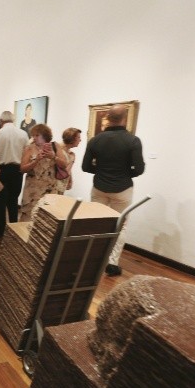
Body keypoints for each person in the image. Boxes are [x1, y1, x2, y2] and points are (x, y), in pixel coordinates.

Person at [82, 104, 145, 276]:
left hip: (99, 187)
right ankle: (112, 262)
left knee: (97, 223)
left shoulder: (95, 140)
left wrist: (101, 171)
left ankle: (93, 260)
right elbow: (139, 169)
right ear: (125, 118)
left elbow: (85, 167)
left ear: (108, 118)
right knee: (120, 226)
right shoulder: (133, 141)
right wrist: (124, 173)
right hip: (122, 189)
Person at [0, 111, 28, 238]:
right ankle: (14, 230)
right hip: (17, 171)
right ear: (13, 120)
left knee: (0, 203)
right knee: (13, 201)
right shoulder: (23, 134)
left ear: (1, 121)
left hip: (1, 170)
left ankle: (0, 231)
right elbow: (27, 153)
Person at [19, 124, 66, 221]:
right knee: (28, 217)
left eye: (37, 135)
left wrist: (53, 157)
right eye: (33, 135)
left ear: (45, 135)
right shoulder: (29, 148)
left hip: (50, 189)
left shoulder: (55, 146)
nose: (34, 138)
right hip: (32, 191)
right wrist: (36, 161)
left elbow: (64, 164)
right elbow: (22, 169)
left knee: (47, 218)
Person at [55, 127, 82, 194]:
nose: (80, 140)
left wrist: (70, 180)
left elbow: (68, 170)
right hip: (53, 185)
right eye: (78, 137)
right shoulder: (57, 149)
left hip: (62, 186)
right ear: (72, 138)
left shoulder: (71, 154)